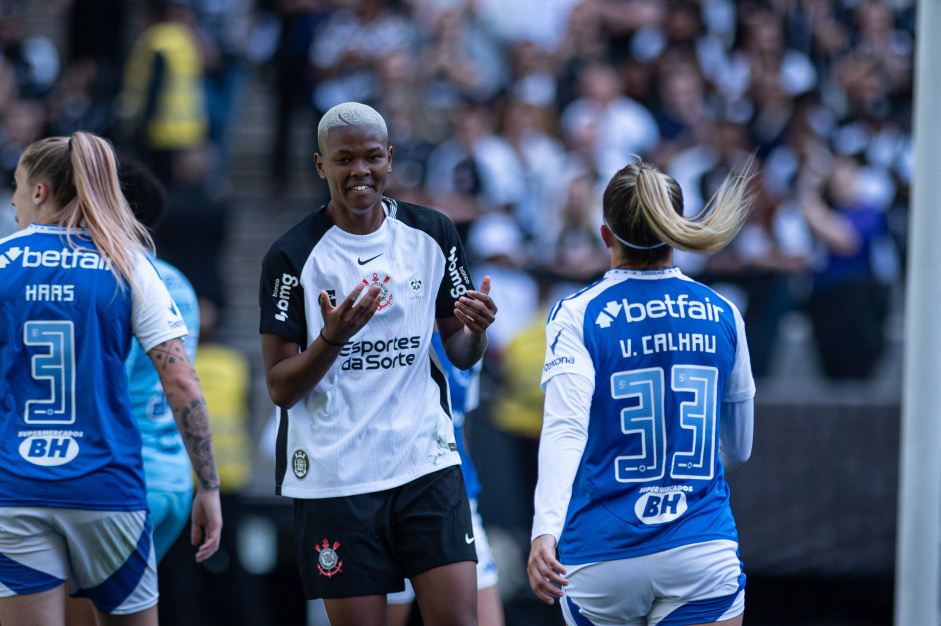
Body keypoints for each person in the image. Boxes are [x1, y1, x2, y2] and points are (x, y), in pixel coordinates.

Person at [259, 102, 497, 626]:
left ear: (389, 160)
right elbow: (280, 387)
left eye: (371, 157)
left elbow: (458, 350)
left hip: (424, 462)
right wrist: (331, 339)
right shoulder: (292, 256)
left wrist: (476, 333)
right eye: (344, 159)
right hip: (337, 476)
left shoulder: (433, 234)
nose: (360, 171)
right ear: (321, 166)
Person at [0, 131, 221, 626]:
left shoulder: (2, 262)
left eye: (16, 185)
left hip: (16, 488)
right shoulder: (130, 264)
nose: (12, 198)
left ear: (39, 192)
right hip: (107, 488)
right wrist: (208, 485)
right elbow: (182, 382)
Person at [527, 160, 756, 626]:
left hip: (601, 553)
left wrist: (544, 530)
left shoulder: (577, 314)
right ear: (676, 229)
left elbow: (564, 428)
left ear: (606, 235)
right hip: (700, 543)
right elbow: (739, 447)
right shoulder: (724, 312)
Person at [387, 330, 504, 626]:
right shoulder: (391, 333)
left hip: (459, 499)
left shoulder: (470, 338)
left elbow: (461, 419)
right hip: (394, 498)